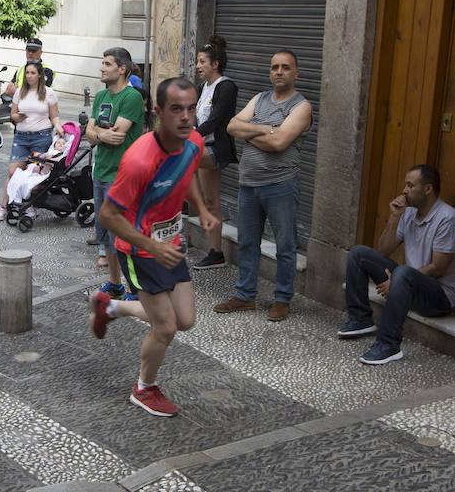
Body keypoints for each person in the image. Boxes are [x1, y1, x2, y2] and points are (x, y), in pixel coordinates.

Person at [88, 77, 218, 417]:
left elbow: (185, 174)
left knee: (185, 319)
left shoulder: (192, 142)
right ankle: (144, 388)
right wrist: (151, 246)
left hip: (169, 243)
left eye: (191, 109)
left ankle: (113, 308)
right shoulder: (139, 160)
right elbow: (108, 215)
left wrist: (202, 209)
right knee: (166, 327)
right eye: (177, 110)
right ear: (158, 112)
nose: (186, 118)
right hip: (139, 248)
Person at [215, 50, 313, 322]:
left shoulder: (301, 107)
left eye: (285, 67)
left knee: (285, 244)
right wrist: (269, 129)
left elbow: (280, 144)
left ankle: (282, 299)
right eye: (274, 67)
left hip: (281, 184)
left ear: (296, 73)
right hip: (248, 184)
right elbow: (233, 126)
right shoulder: (259, 99)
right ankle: (245, 296)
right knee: (247, 242)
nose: (278, 72)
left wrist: (253, 132)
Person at [339, 165, 455, 365]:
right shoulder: (408, 213)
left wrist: (397, 280)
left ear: (428, 189)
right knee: (359, 253)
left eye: (410, 185)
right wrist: (395, 217)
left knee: (404, 272)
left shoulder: (448, 219)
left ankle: (388, 345)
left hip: (440, 297)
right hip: (408, 281)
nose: (404, 190)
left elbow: (438, 268)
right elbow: (383, 251)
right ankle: (360, 318)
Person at [86, 47, 146, 297]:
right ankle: (115, 282)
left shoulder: (130, 97)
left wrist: (97, 133)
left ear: (122, 69)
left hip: (122, 177)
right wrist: (100, 133)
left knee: (123, 235)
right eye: (103, 63)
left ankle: (135, 287)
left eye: (107, 64)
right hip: (100, 172)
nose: (102, 68)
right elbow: (90, 134)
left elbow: (118, 137)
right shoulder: (100, 97)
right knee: (107, 235)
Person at [0, 60, 63, 221]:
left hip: (41, 137)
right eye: (27, 73)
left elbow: (54, 116)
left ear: (39, 75)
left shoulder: (48, 93)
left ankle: (31, 206)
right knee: (12, 172)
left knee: (35, 174)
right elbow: (13, 115)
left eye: (32, 73)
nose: (29, 76)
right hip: (21, 138)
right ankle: (5, 206)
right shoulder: (19, 92)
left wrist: (59, 127)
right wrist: (17, 116)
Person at [192, 35, 238, 270]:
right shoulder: (203, 87)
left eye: (202, 62)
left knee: (177, 160)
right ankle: (216, 252)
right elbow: (197, 117)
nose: (198, 66)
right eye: (198, 62)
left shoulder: (226, 87)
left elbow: (216, 120)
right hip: (201, 145)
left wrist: (189, 139)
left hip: (216, 150)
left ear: (215, 64)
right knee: (211, 201)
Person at [5, 135, 68, 205]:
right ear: (54, 145)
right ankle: (16, 195)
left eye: (63, 144)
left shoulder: (62, 155)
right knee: (20, 177)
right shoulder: (50, 152)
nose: (60, 144)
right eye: (58, 142)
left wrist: (48, 159)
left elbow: (57, 161)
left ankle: (27, 199)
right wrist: (41, 156)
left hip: (48, 172)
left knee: (29, 183)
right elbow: (43, 155)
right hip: (40, 168)